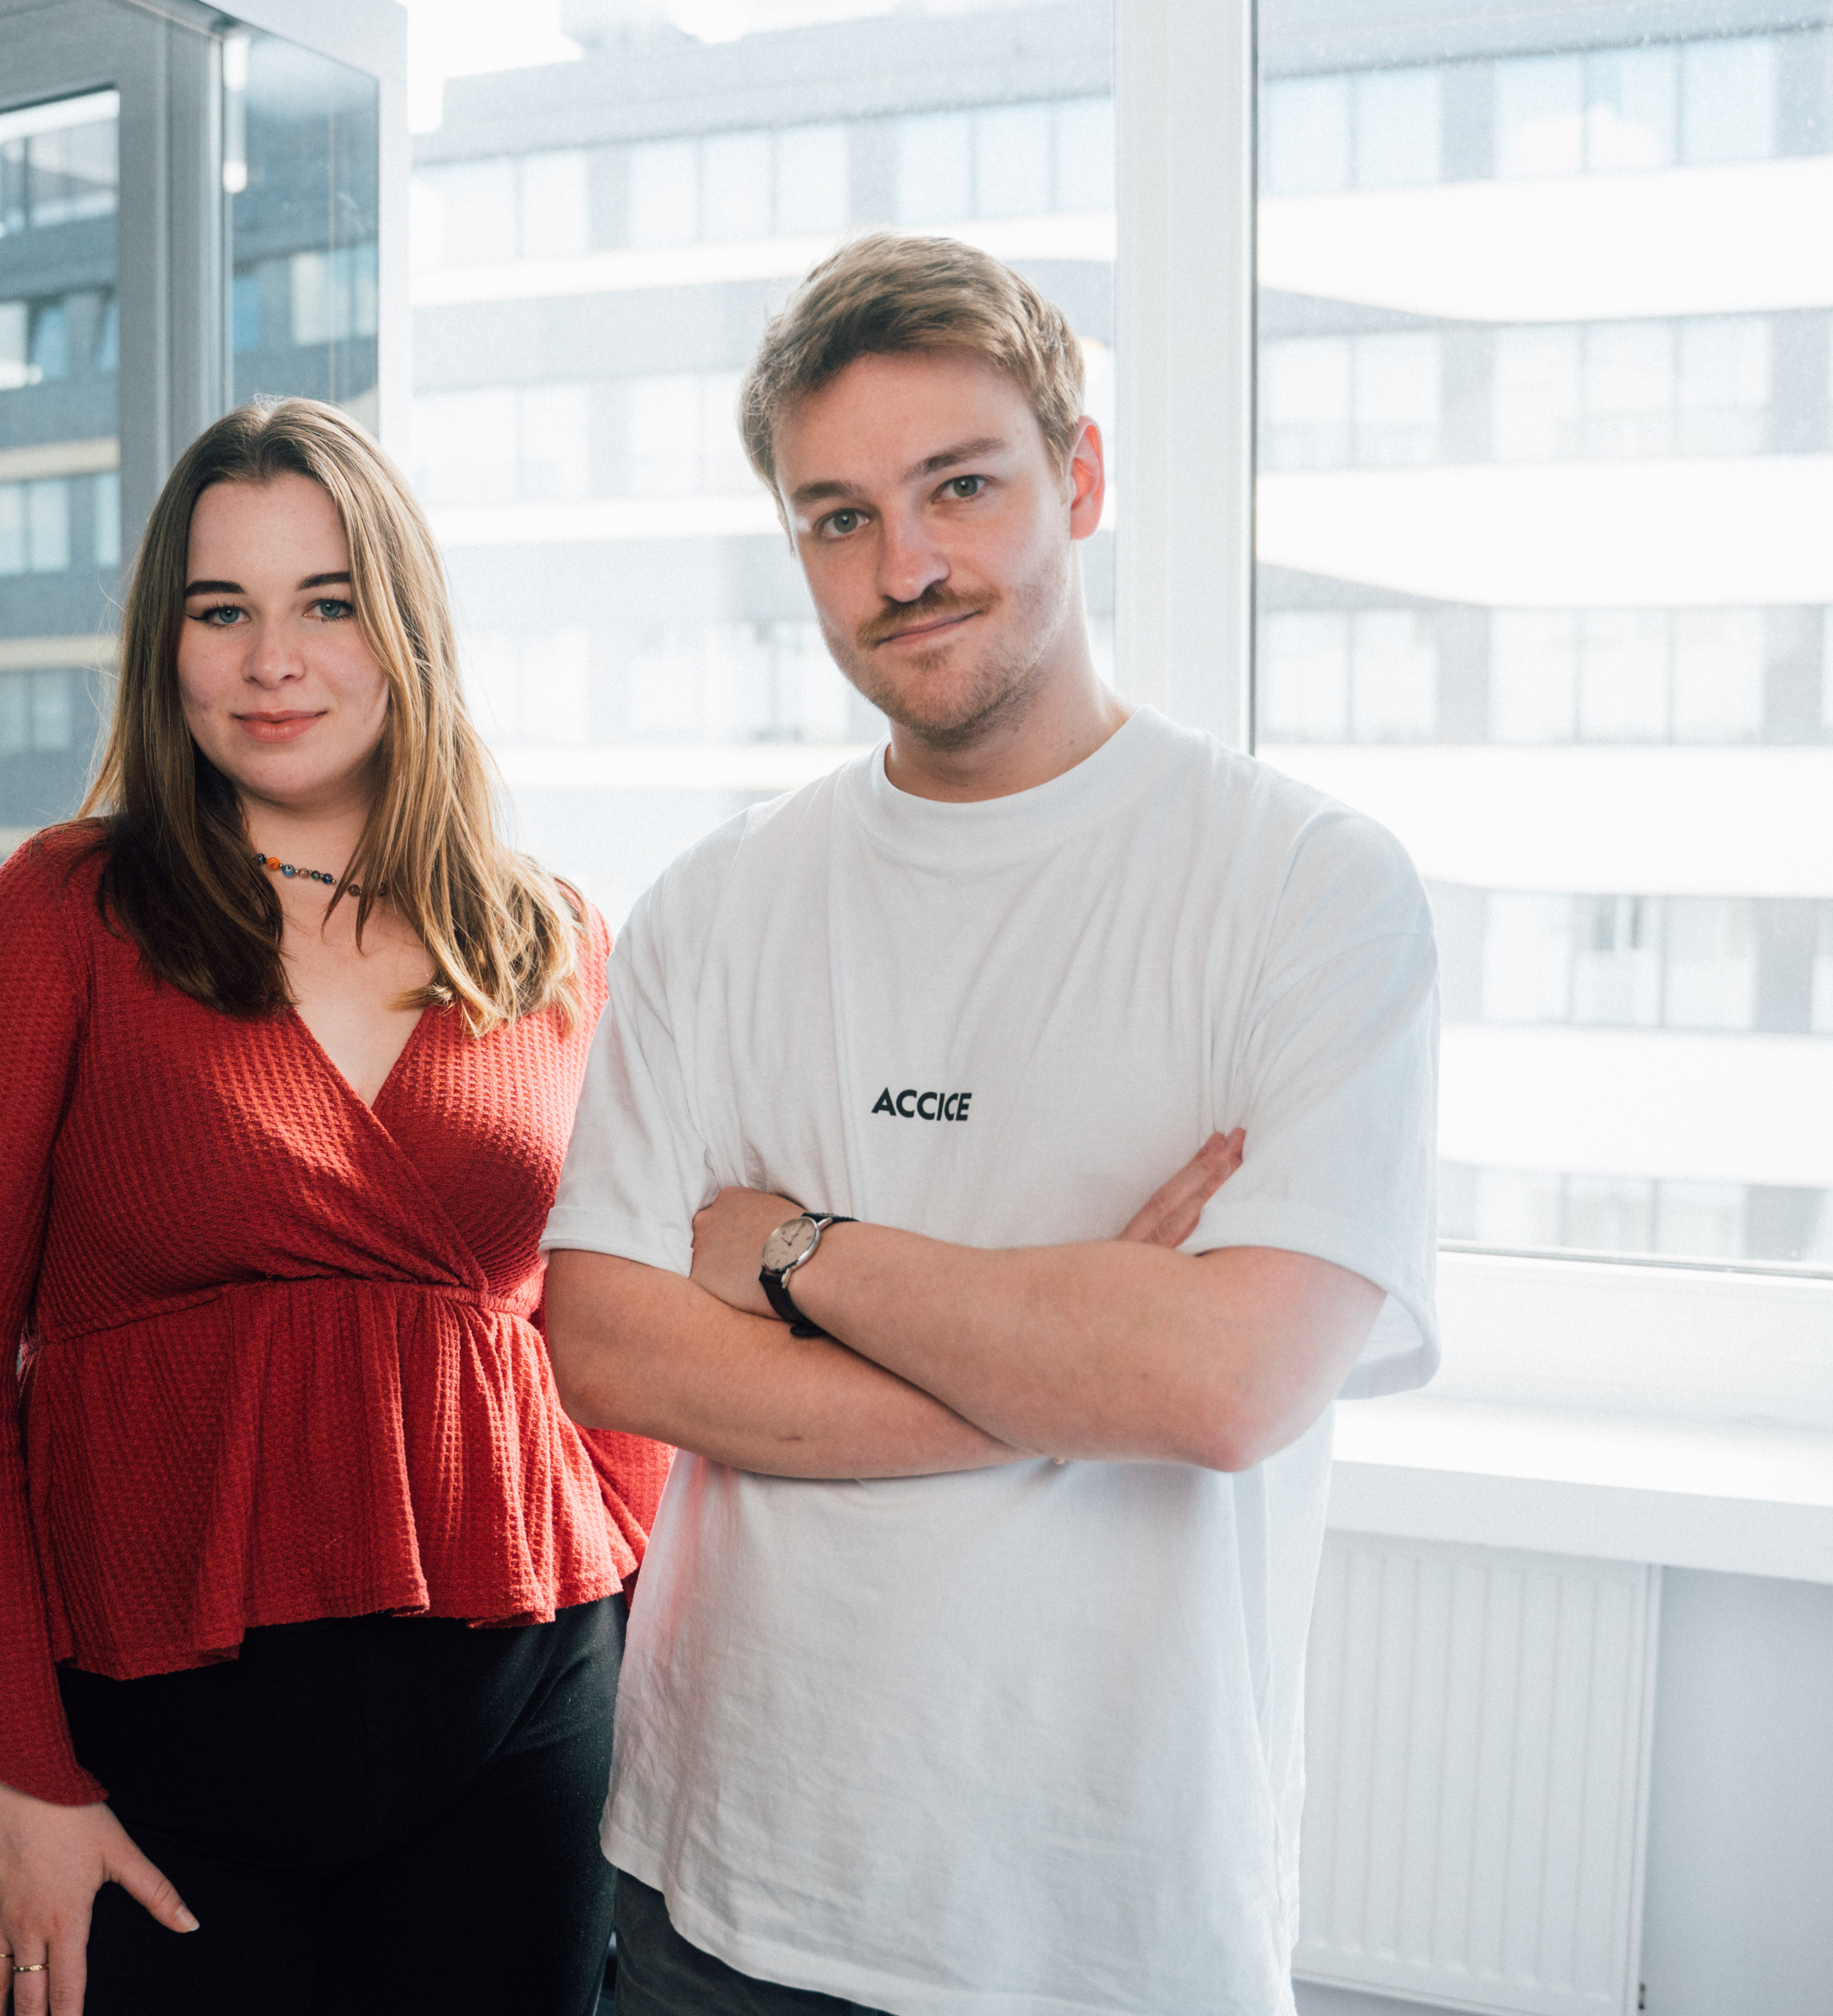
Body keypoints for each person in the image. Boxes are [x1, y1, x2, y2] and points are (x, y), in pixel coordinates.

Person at [541, 231, 1440, 2016]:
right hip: (731, 1882)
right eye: (836, 518)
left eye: (961, 486)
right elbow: (607, 1347)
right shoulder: (717, 904)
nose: (907, 565)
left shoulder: (1304, 887)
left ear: (1078, 476)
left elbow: (1221, 1388)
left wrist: (795, 1255)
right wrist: (1070, 1344)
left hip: (1109, 1919)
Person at [0, 396, 672, 2016]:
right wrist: (10, 1777)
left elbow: (618, 1308)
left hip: (523, 1715)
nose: (269, 660)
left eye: (328, 603)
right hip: (153, 1746)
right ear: (167, 649)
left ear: (406, 630)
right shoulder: (61, 915)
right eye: (219, 611)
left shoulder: (549, 935)